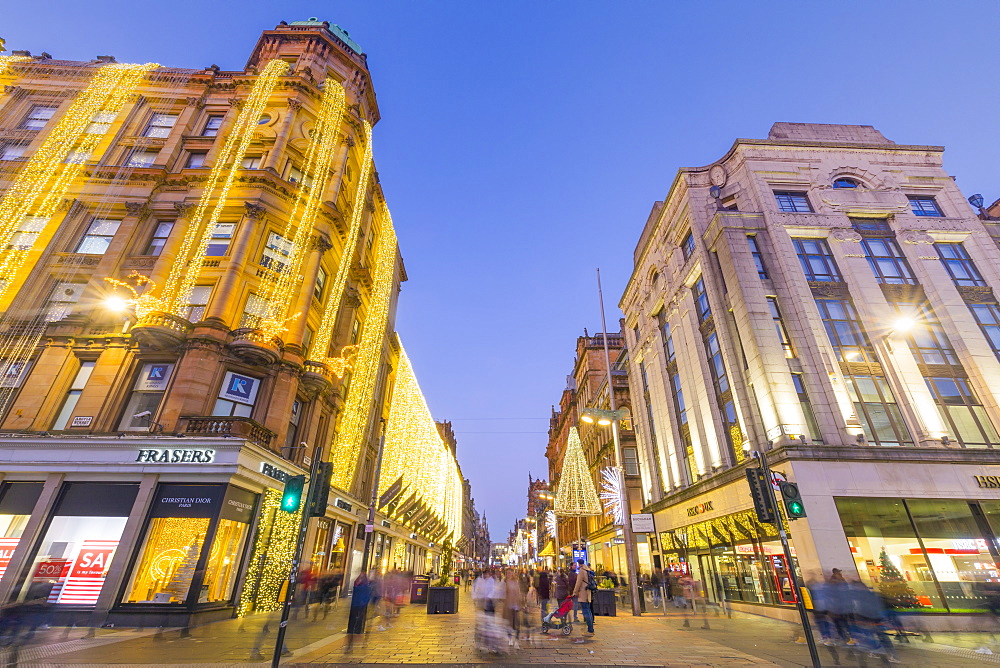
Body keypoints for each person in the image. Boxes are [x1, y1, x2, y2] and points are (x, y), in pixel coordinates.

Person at [572, 559, 595, 637]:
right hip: (588, 593)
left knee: (586, 611)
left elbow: (578, 583)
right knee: (588, 611)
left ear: (579, 564)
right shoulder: (588, 570)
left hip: (583, 593)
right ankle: (590, 629)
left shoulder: (582, 571)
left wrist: (575, 592)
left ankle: (590, 630)